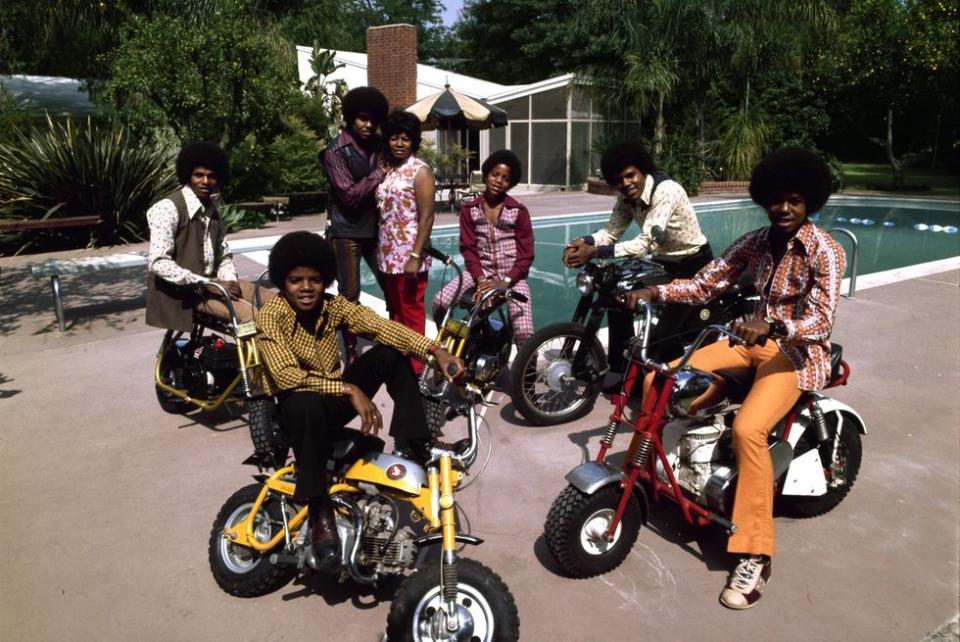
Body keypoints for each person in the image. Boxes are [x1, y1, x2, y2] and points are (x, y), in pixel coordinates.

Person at [625, 147, 846, 610]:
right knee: (658, 381)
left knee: (749, 429)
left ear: (810, 203)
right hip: (749, 342)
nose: (784, 209)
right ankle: (641, 474)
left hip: (798, 353)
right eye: (776, 200)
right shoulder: (755, 242)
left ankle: (754, 552)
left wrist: (776, 325)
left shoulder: (826, 250)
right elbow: (707, 282)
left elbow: (823, 321)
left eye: (795, 200)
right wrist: (656, 291)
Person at [256, 231, 464, 566]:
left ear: (325, 280)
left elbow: (383, 328)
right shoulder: (271, 316)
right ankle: (319, 510)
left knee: (389, 354)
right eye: (296, 280)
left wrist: (435, 352)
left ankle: (415, 444)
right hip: (293, 407)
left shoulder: (332, 306)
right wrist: (348, 389)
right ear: (283, 281)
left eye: (315, 279)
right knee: (305, 402)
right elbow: (285, 377)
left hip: (329, 403)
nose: (306, 287)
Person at [562, 141, 713, 391]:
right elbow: (611, 232)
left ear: (642, 170)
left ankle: (663, 381)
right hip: (664, 261)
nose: (626, 183)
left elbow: (644, 243)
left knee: (666, 333)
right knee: (619, 297)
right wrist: (584, 242)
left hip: (692, 263)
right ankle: (622, 372)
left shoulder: (666, 191)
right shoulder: (626, 197)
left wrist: (595, 252)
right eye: (619, 180)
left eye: (630, 175)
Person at [145, 141, 270, 332]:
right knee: (256, 319)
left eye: (211, 176)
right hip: (184, 294)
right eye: (199, 175)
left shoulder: (213, 211)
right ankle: (275, 360)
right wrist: (207, 284)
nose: (205, 181)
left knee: (279, 306)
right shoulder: (167, 208)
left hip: (215, 285)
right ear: (188, 175)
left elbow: (224, 256)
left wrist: (229, 280)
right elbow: (158, 263)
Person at [432, 149, 535, 347]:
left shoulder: (518, 211)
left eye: (505, 178)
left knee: (524, 330)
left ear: (511, 184)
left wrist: (505, 282)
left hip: (512, 277)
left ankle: (527, 372)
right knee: (440, 301)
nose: (498, 180)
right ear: (487, 175)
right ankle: (449, 347)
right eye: (495, 174)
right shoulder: (470, 209)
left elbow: (526, 255)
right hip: (479, 272)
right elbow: (468, 249)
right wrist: (480, 279)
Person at [322, 86, 391, 363]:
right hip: (346, 231)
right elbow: (349, 197)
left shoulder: (379, 145)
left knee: (392, 285)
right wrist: (378, 174)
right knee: (349, 294)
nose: (369, 124)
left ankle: (396, 340)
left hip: (376, 230)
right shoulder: (336, 151)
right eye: (363, 118)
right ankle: (350, 351)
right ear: (351, 117)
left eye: (373, 119)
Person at [374, 110, 435, 372]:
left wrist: (415, 255)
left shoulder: (420, 172)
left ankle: (417, 369)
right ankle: (402, 362)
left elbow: (427, 217)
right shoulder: (387, 170)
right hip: (387, 255)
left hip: (409, 255)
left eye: (406, 139)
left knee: (411, 313)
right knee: (397, 312)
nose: (399, 143)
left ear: (414, 142)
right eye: (395, 138)